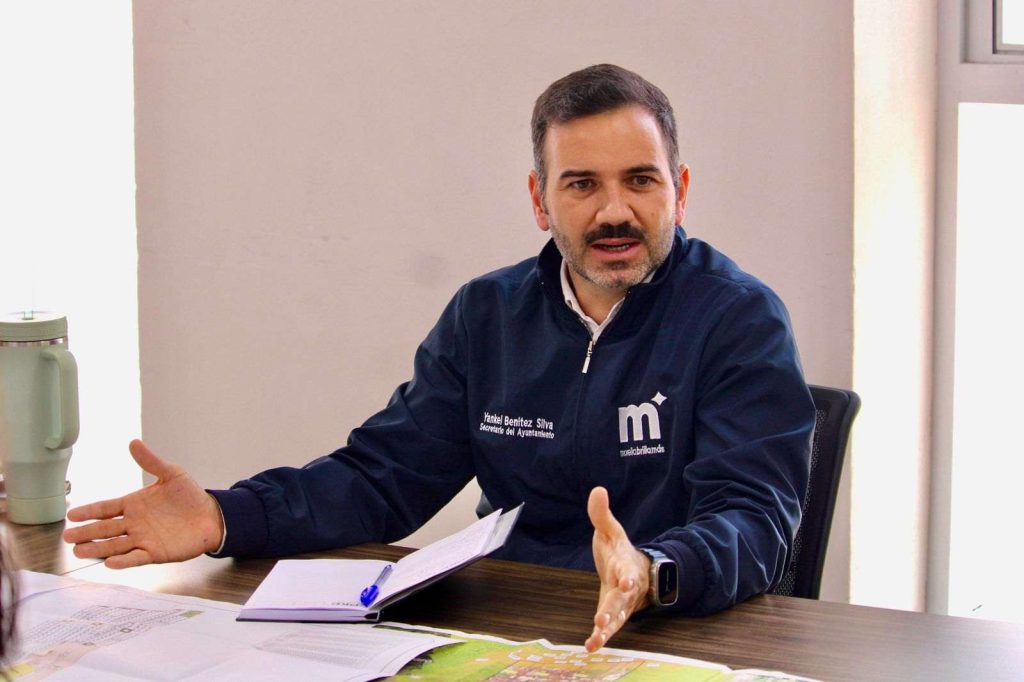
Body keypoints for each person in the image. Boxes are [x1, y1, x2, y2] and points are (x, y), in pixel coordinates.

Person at [63, 64, 814, 653]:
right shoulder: (487, 315)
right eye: (582, 184)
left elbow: (753, 517)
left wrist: (653, 571)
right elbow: (381, 478)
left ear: (680, 190)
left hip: (674, 630)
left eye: (640, 180)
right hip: (510, 627)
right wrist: (225, 517)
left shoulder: (738, 319)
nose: (613, 211)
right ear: (540, 200)